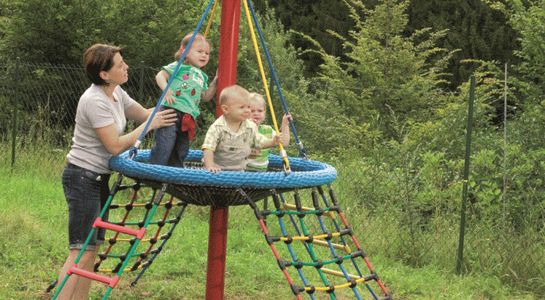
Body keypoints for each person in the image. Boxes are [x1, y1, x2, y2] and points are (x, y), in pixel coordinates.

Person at [56, 43, 177, 300]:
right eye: (120, 65)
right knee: (81, 250)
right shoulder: (94, 100)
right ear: (104, 74)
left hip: (99, 179)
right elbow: (113, 144)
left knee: (93, 248)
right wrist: (147, 127)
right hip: (81, 177)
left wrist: (174, 100)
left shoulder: (117, 93)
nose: (126, 67)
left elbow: (144, 114)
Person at [150, 32, 218, 167]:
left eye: (207, 53)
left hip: (188, 117)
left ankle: (175, 174)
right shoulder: (179, 65)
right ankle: (155, 169)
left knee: (182, 149)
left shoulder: (202, 76)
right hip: (170, 110)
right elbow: (160, 76)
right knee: (165, 143)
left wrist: (215, 83)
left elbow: (205, 97)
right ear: (184, 52)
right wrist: (167, 89)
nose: (204, 55)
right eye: (199, 51)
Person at [202, 85, 280, 172]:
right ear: (226, 109)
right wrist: (210, 166)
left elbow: (259, 141)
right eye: (242, 107)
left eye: (248, 107)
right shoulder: (217, 127)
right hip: (217, 170)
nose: (247, 110)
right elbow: (208, 148)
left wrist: (272, 142)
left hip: (238, 171)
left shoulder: (250, 126)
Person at [246, 92, 291, 171]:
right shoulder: (243, 128)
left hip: (262, 172)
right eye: (252, 111)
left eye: (260, 111)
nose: (256, 113)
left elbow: (284, 143)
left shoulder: (268, 130)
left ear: (264, 113)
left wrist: (285, 125)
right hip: (244, 171)